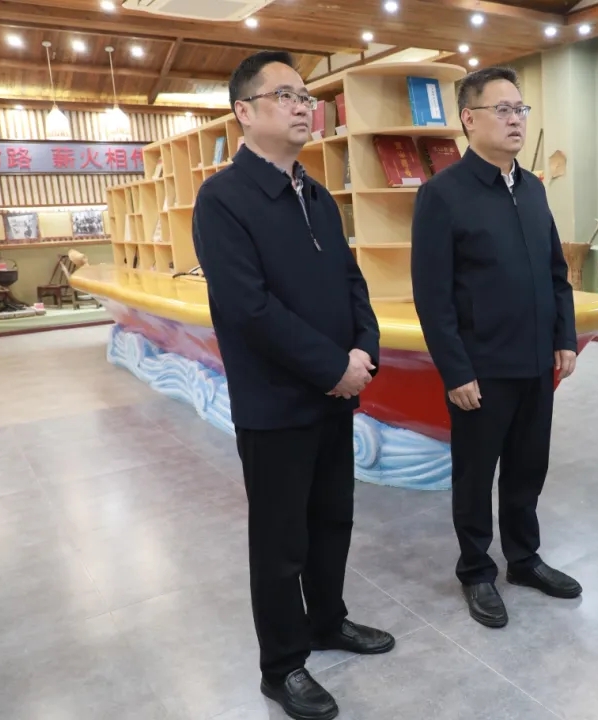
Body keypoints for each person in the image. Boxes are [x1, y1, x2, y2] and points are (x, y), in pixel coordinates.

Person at [192, 50, 394, 720]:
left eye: (307, 96)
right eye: (285, 95)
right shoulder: (222, 200)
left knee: (333, 518)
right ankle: (281, 666)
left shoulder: (318, 195)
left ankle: (328, 620)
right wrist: (333, 367)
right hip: (276, 404)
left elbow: (352, 281)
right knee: (281, 542)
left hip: (336, 392)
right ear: (244, 112)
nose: (304, 107)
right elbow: (248, 309)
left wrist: (363, 349)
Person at [411, 66, 582, 629]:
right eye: (502, 109)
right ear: (469, 119)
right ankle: (476, 570)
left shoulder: (532, 188)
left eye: (520, 110)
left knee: (529, 467)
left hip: (536, 362)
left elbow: (556, 273)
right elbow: (432, 295)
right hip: (481, 369)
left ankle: (525, 559)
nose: (515, 120)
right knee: (475, 473)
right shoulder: (442, 195)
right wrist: (455, 370)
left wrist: (564, 338)